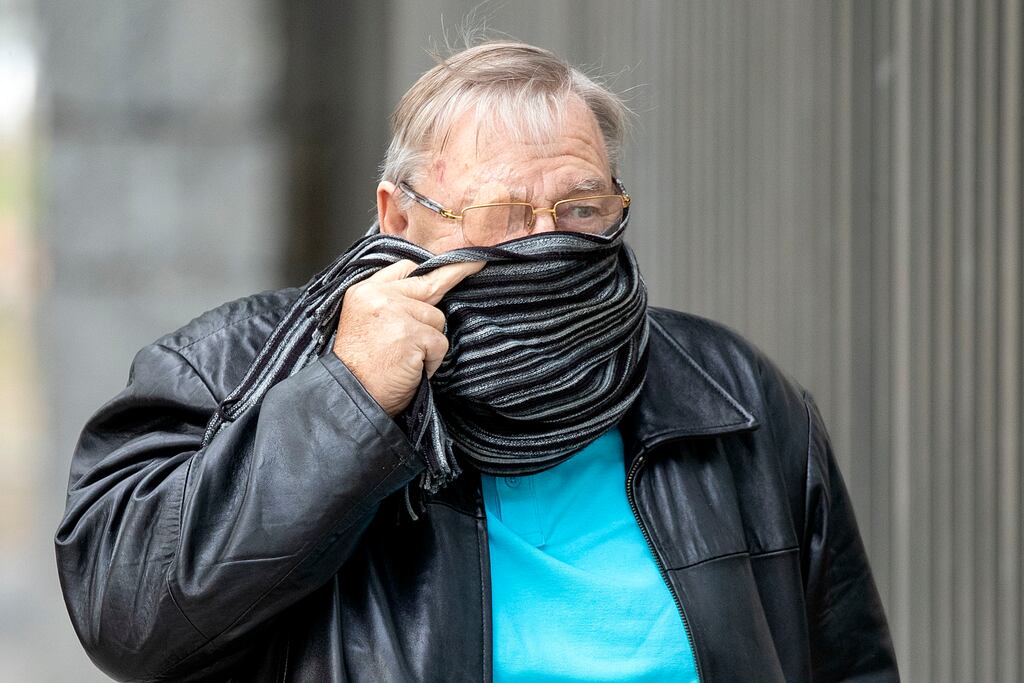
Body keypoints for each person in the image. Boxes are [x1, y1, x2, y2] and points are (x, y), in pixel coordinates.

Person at [55, 41, 899, 682]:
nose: (544, 243)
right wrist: (346, 400)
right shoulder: (229, 368)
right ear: (399, 217)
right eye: (501, 214)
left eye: (578, 207)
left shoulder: (733, 396)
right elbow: (124, 612)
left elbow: (850, 660)